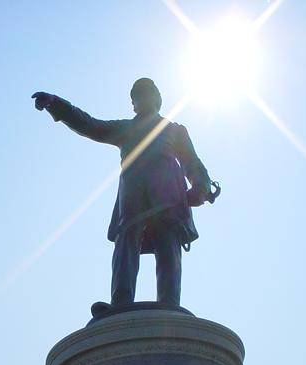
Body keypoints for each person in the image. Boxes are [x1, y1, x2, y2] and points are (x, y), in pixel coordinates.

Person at [32, 78, 216, 308]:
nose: (143, 100)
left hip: (168, 196)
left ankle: (169, 302)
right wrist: (57, 105)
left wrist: (201, 187)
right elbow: (89, 125)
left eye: (148, 95)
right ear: (133, 104)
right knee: (125, 245)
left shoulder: (174, 131)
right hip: (132, 198)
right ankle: (120, 301)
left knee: (168, 246)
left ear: (158, 101)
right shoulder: (124, 129)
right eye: (138, 96)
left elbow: (193, 163)